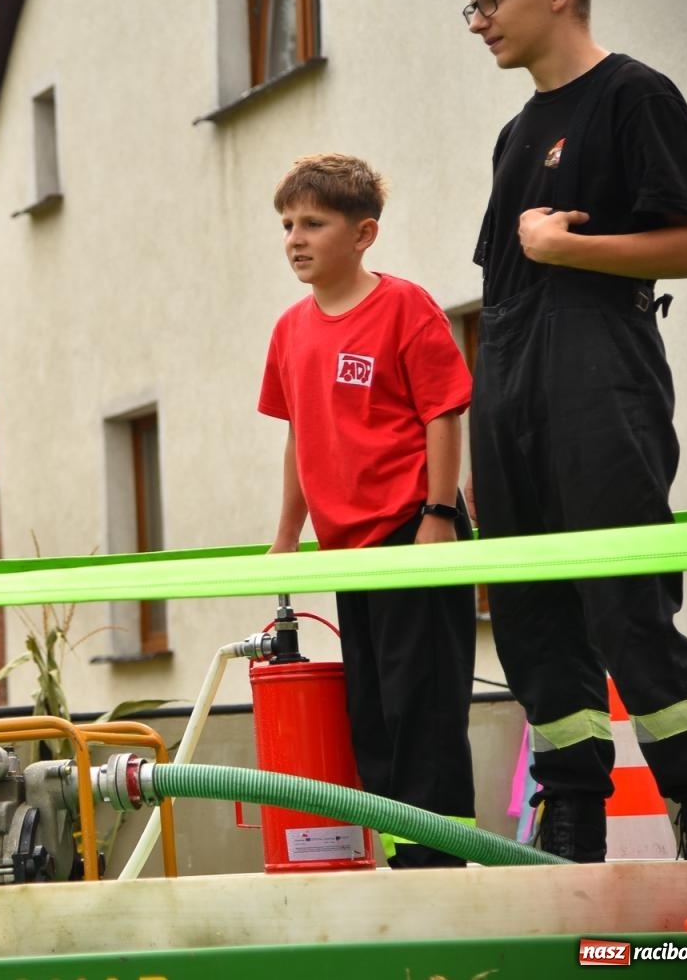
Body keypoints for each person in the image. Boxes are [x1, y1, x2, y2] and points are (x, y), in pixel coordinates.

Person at [464, 0, 687, 863]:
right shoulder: (515, 134)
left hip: (599, 381)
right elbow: (502, 290)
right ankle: (570, 827)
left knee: (624, 608)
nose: (479, 22)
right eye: (474, 7)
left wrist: (570, 247)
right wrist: (477, 441)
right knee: (533, 619)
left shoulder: (634, 95)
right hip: (509, 389)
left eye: (492, 1)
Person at [260, 153, 477, 869]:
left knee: (424, 710)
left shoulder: (404, 306)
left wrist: (439, 513)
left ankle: (439, 864)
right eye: (288, 223)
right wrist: (287, 535)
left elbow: (442, 412)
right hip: (348, 551)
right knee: (375, 715)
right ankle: (400, 858)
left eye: (313, 223)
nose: (296, 237)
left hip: (411, 531)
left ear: (363, 233)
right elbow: (301, 435)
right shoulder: (290, 330)